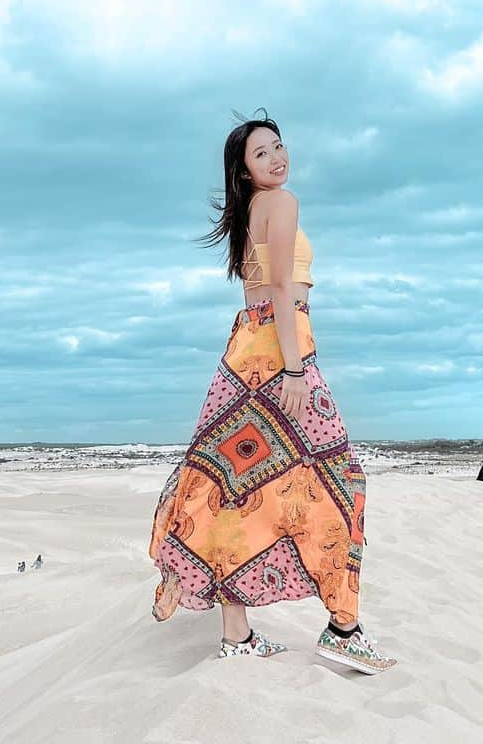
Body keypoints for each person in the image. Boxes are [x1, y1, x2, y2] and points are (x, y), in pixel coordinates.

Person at [148, 110, 397, 673]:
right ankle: (343, 627)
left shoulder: (251, 215)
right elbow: (283, 287)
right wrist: (294, 370)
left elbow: (257, 296)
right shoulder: (282, 204)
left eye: (279, 146)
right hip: (280, 352)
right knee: (341, 483)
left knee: (242, 487)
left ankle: (235, 634)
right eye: (261, 153)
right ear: (243, 170)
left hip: (245, 350)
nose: (277, 158)